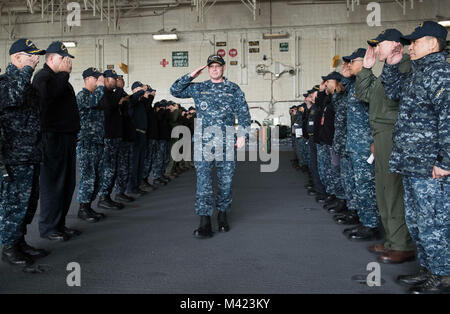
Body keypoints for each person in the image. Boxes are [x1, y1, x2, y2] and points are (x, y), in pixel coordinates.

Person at [381, 21, 449, 294]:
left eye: (415, 42)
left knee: (435, 222)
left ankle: (443, 276)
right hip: (412, 164)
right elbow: (393, 91)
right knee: (418, 221)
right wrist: (390, 65)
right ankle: (428, 269)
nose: (410, 46)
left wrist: (445, 162)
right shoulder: (418, 74)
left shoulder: (441, 74)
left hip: (431, 166)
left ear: (433, 44)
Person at [170, 54, 251, 238]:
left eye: (218, 66)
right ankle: (204, 221)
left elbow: (244, 114)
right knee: (203, 183)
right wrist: (191, 76)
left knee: (226, 182)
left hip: (227, 141)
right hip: (203, 142)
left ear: (223, 68)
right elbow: (174, 90)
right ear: (207, 69)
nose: (215, 69)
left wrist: (243, 135)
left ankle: (222, 216)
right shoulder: (199, 88)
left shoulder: (233, 89)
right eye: (211, 66)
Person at [355, 29, 415, 264]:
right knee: (383, 188)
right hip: (381, 135)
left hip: (393, 135)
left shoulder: (406, 67)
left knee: (393, 190)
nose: (376, 49)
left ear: (394, 45)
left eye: (379, 45)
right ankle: (392, 240)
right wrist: (366, 70)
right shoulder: (388, 71)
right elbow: (366, 95)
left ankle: (402, 244)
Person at [0, 39, 49, 266]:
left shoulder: (25, 84)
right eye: (30, 56)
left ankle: (19, 241)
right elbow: (16, 97)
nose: (35, 59)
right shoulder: (6, 83)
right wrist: (28, 70)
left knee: (28, 202)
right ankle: (9, 247)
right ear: (16, 58)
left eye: (36, 56)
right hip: (14, 156)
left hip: (31, 153)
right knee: (13, 203)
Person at [33, 41, 81, 241]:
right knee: (53, 184)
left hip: (66, 137)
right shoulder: (43, 77)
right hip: (52, 138)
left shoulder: (61, 79)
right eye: (63, 58)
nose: (67, 62)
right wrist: (64, 75)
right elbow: (48, 97)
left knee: (67, 183)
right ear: (51, 58)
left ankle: (59, 224)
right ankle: (49, 227)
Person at [342, 48, 381, 241]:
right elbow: (346, 92)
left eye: (352, 61)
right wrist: (346, 75)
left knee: (367, 185)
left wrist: (375, 141)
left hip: (366, 146)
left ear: (364, 61)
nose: (349, 65)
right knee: (358, 184)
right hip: (355, 145)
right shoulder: (356, 85)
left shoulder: (371, 84)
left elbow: (376, 115)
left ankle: (371, 224)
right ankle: (364, 219)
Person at [76, 67, 107, 223]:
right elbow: (93, 103)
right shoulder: (83, 96)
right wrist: (101, 87)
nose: (100, 81)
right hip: (86, 141)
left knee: (97, 176)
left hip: (97, 142)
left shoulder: (96, 96)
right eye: (97, 78)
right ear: (88, 79)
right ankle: (83, 208)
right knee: (88, 176)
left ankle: (88, 206)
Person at [97, 69, 126, 210]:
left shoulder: (112, 94)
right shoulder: (102, 93)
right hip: (107, 137)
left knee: (113, 169)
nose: (117, 81)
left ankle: (107, 196)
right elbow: (109, 107)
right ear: (107, 80)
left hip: (115, 136)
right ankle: (103, 197)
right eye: (114, 79)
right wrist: (120, 89)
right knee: (107, 169)